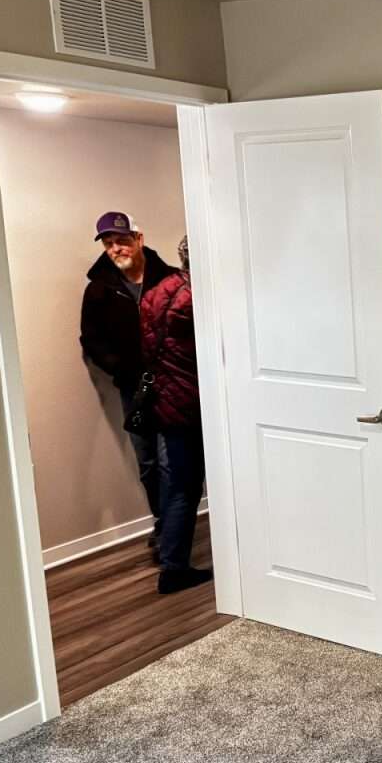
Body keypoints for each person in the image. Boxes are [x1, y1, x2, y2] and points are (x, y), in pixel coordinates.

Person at [80, 211, 176, 552]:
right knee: (148, 461)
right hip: (133, 391)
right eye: (108, 244)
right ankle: (164, 524)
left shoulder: (171, 280)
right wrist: (121, 371)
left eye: (121, 241)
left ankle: (172, 533)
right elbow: (91, 341)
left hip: (173, 387)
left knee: (171, 461)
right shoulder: (98, 291)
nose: (115, 248)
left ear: (139, 239)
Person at [140, 236, 213, 594]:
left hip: (165, 402)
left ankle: (172, 563)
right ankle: (174, 569)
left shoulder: (156, 291)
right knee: (187, 488)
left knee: (176, 486)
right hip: (196, 403)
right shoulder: (203, 295)